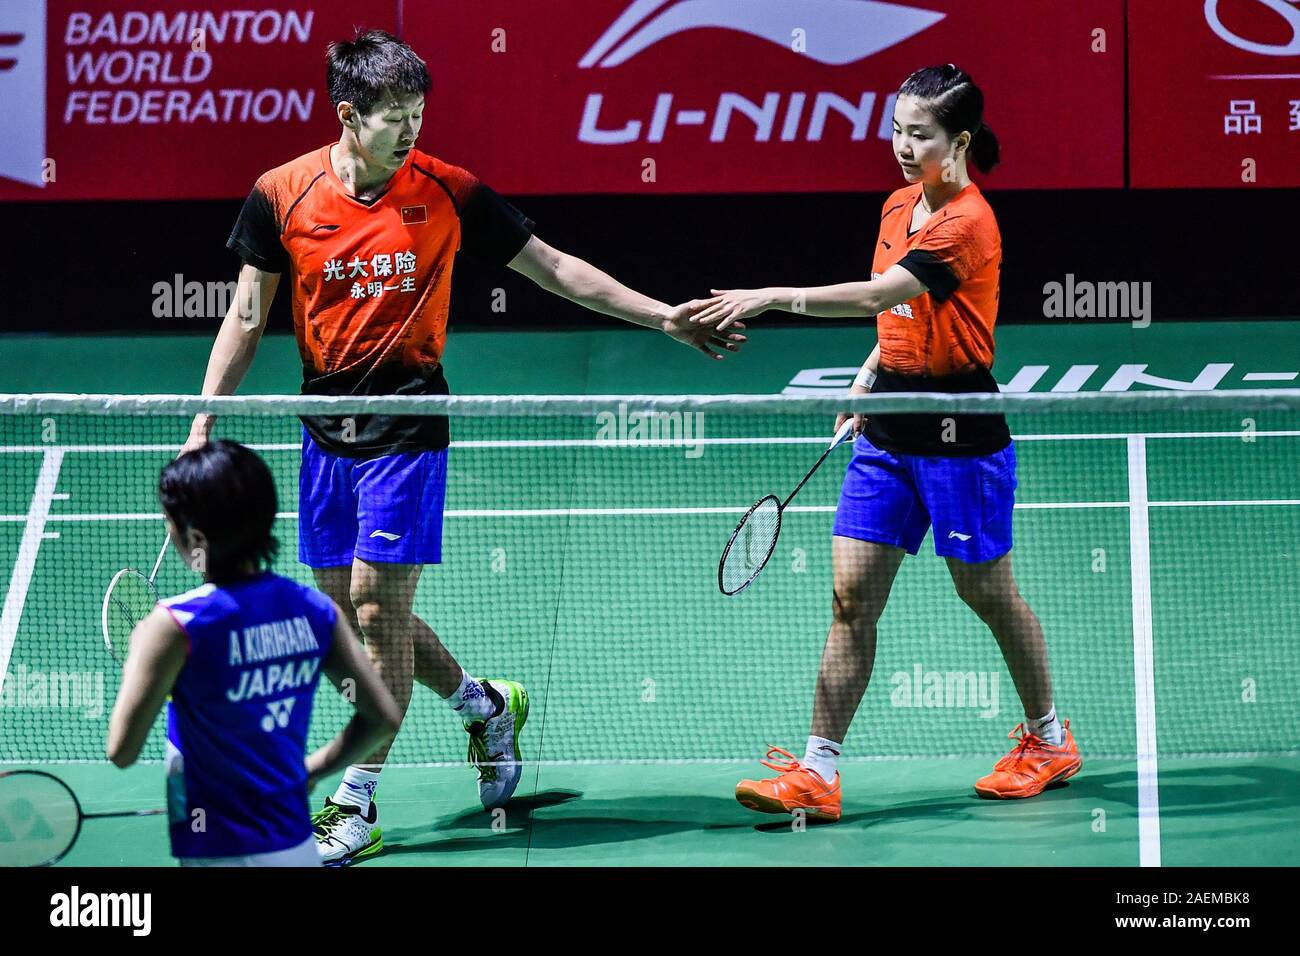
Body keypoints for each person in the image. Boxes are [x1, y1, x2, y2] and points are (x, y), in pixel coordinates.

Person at [181, 29, 745, 863]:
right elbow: (245, 315)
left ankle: (357, 802)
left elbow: (554, 268)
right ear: (348, 115)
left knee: (374, 610)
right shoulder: (281, 194)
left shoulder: (447, 191)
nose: (410, 131)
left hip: (408, 423)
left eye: (418, 114)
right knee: (356, 614)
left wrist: (662, 316)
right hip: (324, 430)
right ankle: (484, 705)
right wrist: (203, 417)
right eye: (393, 118)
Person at [690, 65, 1082, 822]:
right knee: (850, 598)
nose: (902, 146)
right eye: (897, 129)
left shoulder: (967, 222)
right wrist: (868, 379)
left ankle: (1048, 740)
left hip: (960, 431)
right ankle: (818, 771)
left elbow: (877, 293)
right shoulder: (897, 204)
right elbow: (893, 317)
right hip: (890, 430)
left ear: (959, 141)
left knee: (986, 593)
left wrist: (770, 295)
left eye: (920, 134)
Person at [107, 440, 402, 865]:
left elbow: (122, 751)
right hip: (295, 848)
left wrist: (150, 668)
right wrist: (308, 772)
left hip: (217, 849)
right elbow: (381, 717)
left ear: (195, 537)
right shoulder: (315, 610)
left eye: (168, 521)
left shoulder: (170, 626)